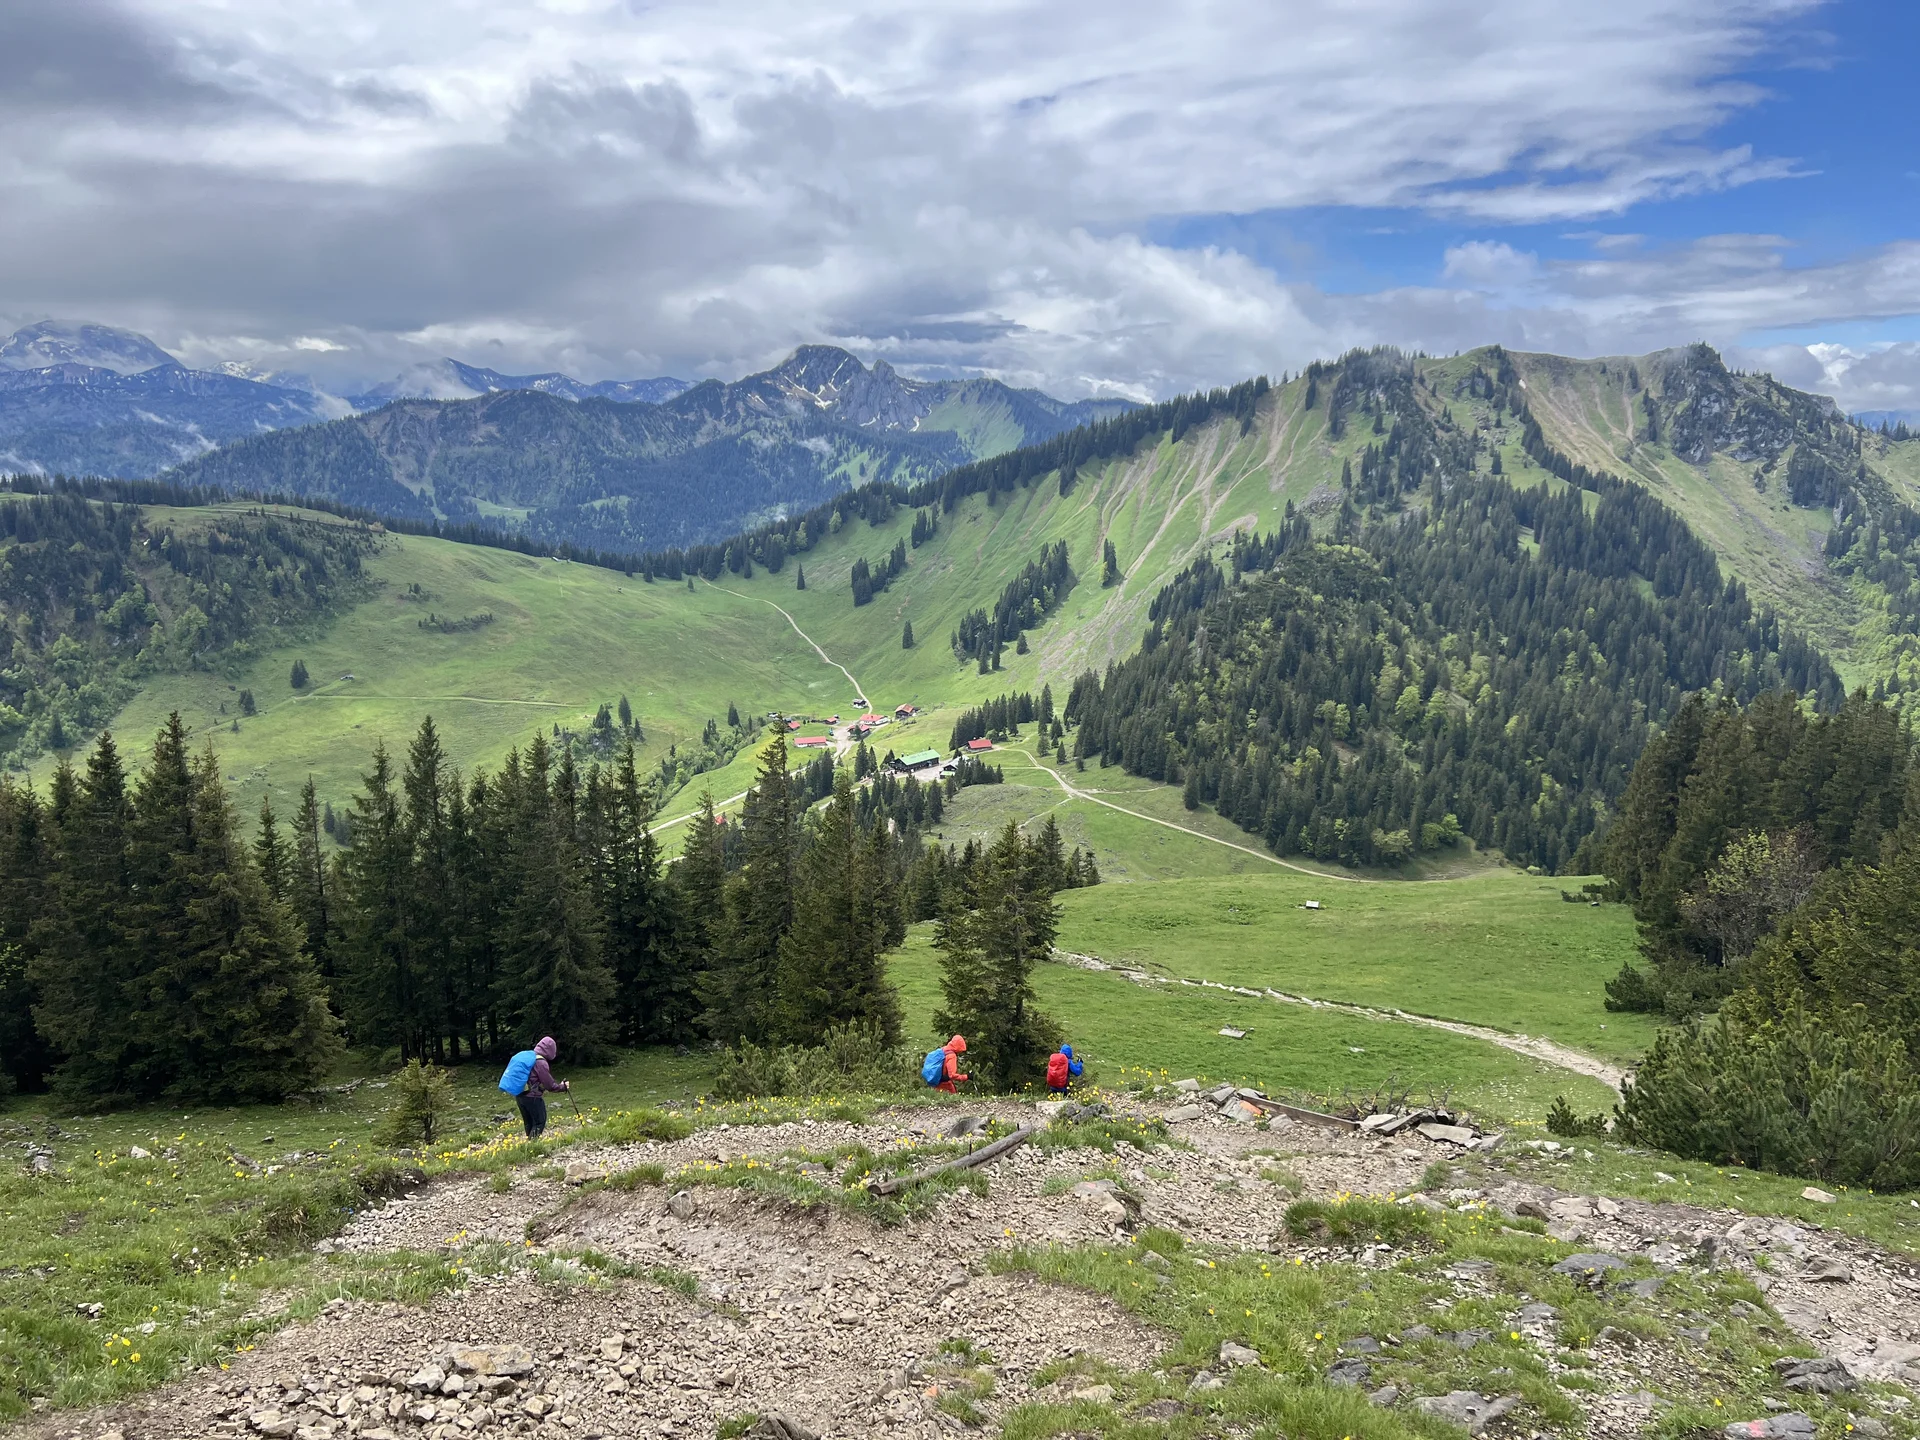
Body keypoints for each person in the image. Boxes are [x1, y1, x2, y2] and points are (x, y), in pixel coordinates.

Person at [498, 1035, 569, 1139]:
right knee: (539, 1122)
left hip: (520, 1095)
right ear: (550, 1050)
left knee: (529, 1123)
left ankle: (528, 1148)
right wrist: (563, 1087)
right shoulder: (540, 1062)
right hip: (533, 1097)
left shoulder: (529, 1057)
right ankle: (533, 1146)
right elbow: (550, 1085)